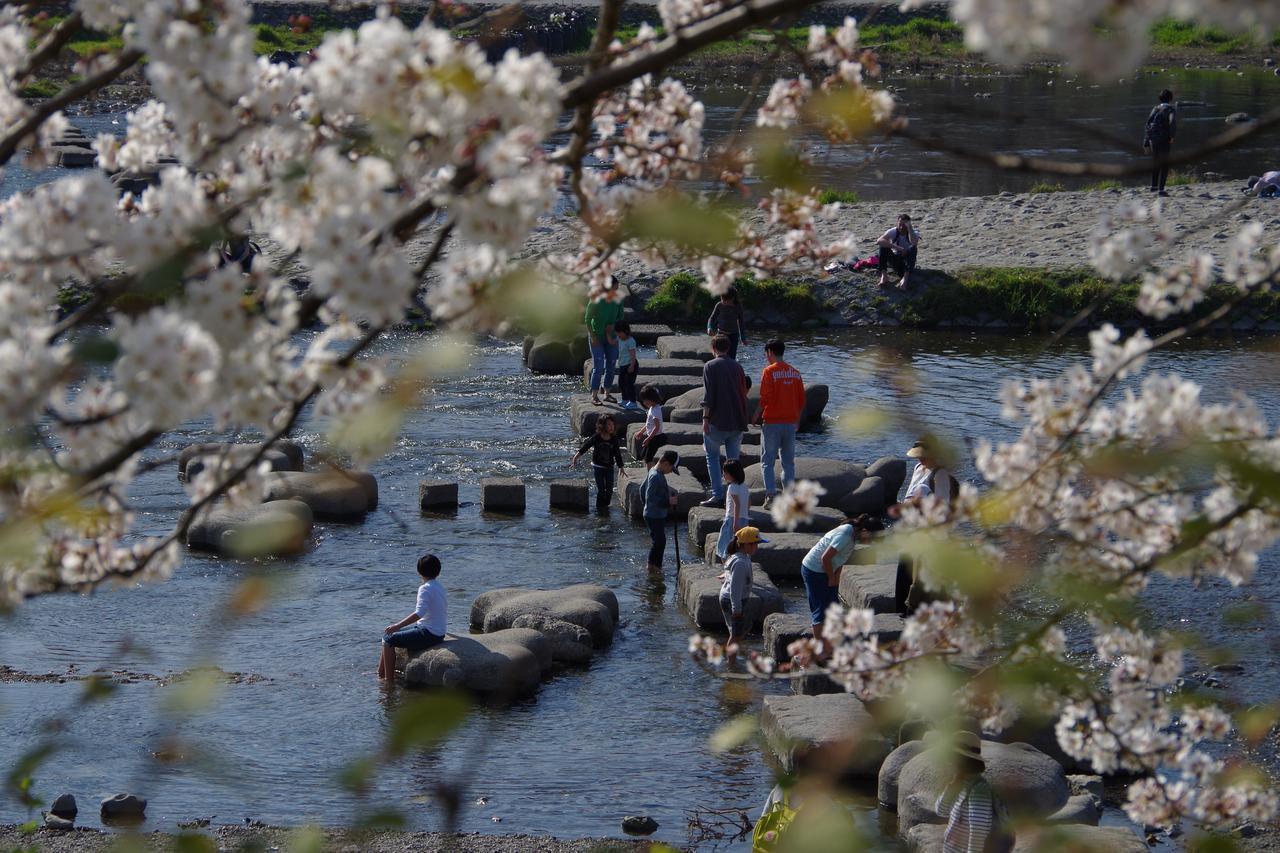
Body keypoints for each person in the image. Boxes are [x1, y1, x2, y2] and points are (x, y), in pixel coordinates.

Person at [799, 515, 882, 655]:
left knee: (834, 608)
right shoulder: (846, 534)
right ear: (865, 530)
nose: (870, 543)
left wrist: (836, 578)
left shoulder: (854, 535)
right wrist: (831, 577)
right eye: (871, 538)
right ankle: (820, 651)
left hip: (826, 571)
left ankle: (830, 645)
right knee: (821, 610)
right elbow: (825, 558)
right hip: (814, 570)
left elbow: (839, 559)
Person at [896, 439, 958, 614]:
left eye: (923, 456)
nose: (920, 459)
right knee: (904, 568)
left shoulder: (940, 476)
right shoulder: (918, 468)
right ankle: (900, 609)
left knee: (919, 575)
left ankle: (914, 611)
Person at [932, 732, 1012, 853]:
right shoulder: (960, 784)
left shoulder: (979, 789)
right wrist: (951, 787)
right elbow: (941, 811)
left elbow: (978, 833)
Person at [754, 339, 806, 509]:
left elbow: (765, 397)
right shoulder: (795, 372)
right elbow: (801, 400)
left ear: (769, 352)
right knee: (788, 462)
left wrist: (756, 414)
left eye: (766, 353)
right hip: (790, 423)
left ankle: (770, 496)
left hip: (772, 422)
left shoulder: (769, 371)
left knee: (767, 461)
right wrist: (797, 419)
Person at [378, 554, 447, 680]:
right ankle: (381, 673)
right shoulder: (440, 587)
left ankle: (388, 679)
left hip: (428, 634)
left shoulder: (425, 588)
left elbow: (419, 613)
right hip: (439, 633)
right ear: (438, 571)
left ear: (419, 572)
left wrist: (397, 625)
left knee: (388, 640)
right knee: (388, 635)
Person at [700, 334, 749, 508]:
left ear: (713, 348)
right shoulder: (737, 366)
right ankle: (734, 495)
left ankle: (717, 495)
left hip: (717, 420)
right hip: (736, 420)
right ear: (728, 348)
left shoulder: (710, 366)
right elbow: (744, 394)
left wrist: (705, 418)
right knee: (733, 460)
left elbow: (709, 396)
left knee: (712, 458)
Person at [719, 526, 766, 661]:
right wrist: (737, 609)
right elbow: (735, 588)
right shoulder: (740, 562)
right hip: (732, 600)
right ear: (746, 545)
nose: (757, 547)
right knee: (736, 635)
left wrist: (725, 576)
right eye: (756, 544)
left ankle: (731, 656)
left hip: (732, 599)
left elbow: (730, 573)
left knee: (736, 632)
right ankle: (731, 663)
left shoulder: (742, 556)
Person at [570, 413, 627, 511]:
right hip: (598, 467)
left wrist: (621, 467)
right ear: (602, 425)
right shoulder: (597, 437)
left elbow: (617, 453)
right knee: (601, 489)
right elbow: (586, 446)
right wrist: (576, 457)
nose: (611, 427)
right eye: (609, 425)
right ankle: (599, 509)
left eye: (612, 425)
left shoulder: (613, 439)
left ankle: (606, 506)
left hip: (609, 467)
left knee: (609, 490)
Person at [642, 449, 681, 572]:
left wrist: (667, 491)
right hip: (654, 515)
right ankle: (652, 566)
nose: (670, 472)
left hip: (654, 513)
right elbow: (650, 497)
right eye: (671, 469)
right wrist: (667, 501)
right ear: (665, 464)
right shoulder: (656, 476)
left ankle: (656, 565)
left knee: (660, 541)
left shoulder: (654, 471)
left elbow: (642, 489)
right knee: (659, 542)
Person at [585, 289, 624, 406]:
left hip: (611, 337)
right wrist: (593, 337)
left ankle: (607, 394)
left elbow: (620, 317)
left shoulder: (618, 299)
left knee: (611, 366)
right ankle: (594, 396)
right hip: (597, 337)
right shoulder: (596, 298)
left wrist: (613, 326)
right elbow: (587, 319)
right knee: (598, 367)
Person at [714, 459, 751, 565]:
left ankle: (727, 570)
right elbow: (748, 503)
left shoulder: (732, 487)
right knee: (740, 546)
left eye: (725, 473)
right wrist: (745, 515)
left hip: (732, 520)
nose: (723, 476)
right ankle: (738, 566)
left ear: (732, 474)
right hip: (744, 520)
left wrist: (735, 522)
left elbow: (737, 504)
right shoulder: (744, 487)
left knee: (725, 546)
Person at [1143, 89, 1177, 197]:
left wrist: (1146, 141)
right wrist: (1171, 136)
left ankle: (1153, 187)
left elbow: (1148, 124)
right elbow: (1172, 122)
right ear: (1170, 99)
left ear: (1160, 98)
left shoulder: (1155, 108)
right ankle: (1161, 189)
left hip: (1153, 139)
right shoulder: (1171, 109)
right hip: (1164, 139)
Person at [876, 213, 921, 290]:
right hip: (895, 259)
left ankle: (905, 279)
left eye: (904, 225)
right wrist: (898, 248)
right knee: (883, 246)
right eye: (900, 224)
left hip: (907, 263)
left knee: (913, 248)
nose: (901, 227)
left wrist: (909, 228)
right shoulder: (893, 231)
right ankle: (884, 276)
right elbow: (879, 241)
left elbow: (914, 243)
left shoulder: (914, 233)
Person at [706, 286, 746, 360]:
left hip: (733, 335)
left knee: (732, 356)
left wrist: (743, 337)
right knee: (719, 356)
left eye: (725, 300)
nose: (723, 301)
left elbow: (741, 322)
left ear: (732, 298)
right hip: (721, 334)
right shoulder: (719, 305)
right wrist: (709, 327)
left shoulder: (738, 307)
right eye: (722, 299)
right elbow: (711, 318)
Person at [635, 384, 668, 469]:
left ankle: (652, 475)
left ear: (653, 398)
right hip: (652, 437)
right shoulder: (651, 408)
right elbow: (648, 424)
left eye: (646, 400)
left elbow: (656, 427)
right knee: (644, 455)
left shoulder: (655, 410)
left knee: (648, 458)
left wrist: (648, 438)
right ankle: (653, 472)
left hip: (656, 438)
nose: (644, 403)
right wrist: (641, 432)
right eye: (643, 400)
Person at [615, 322, 640, 410]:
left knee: (629, 384)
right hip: (622, 365)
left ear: (625, 331)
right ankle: (625, 399)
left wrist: (632, 366)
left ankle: (633, 402)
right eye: (617, 333)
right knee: (621, 383)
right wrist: (607, 334)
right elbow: (612, 342)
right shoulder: (619, 339)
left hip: (630, 365)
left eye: (619, 333)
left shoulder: (631, 341)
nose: (618, 335)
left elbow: (633, 355)